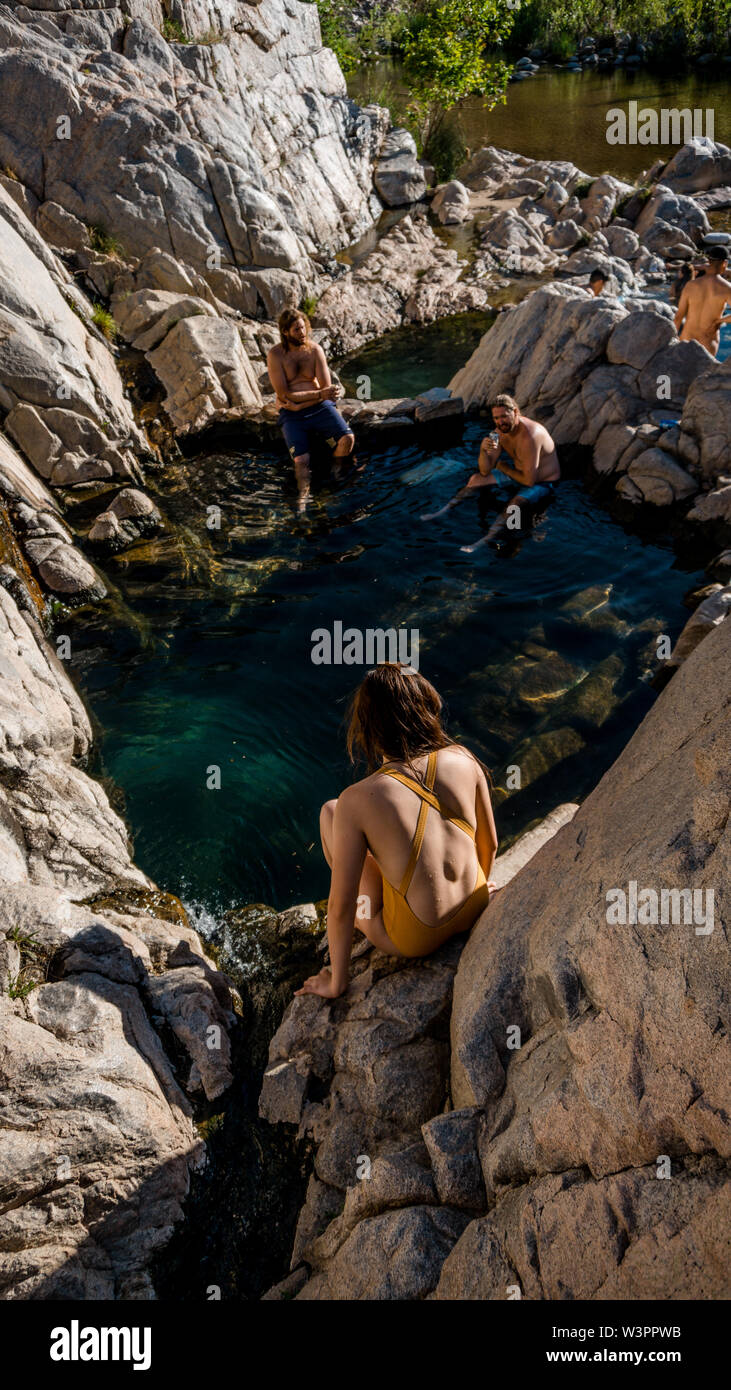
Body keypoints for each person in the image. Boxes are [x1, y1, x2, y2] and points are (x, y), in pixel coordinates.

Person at [295, 664, 498, 999]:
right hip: (475, 902)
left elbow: (340, 907)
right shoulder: (464, 757)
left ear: (369, 726)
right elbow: (489, 844)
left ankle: (368, 919)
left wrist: (335, 983)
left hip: (417, 936)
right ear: (427, 709)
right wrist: (476, 890)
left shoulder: (357, 799)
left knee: (330, 811)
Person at [422, 393, 560, 552]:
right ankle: (443, 511)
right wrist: (483, 450)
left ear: (515, 412)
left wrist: (505, 468)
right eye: (496, 418)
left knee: (514, 505)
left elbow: (529, 481)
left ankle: (484, 540)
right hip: (519, 473)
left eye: (504, 417)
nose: (500, 422)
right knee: (476, 479)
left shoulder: (530, 435)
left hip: (542, 482)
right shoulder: (498, 432)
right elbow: (485, 470)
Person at [266, 309, 357, 509]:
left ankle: (336, 472)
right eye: (297, 329)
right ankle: (304, 495)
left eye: (304, 328)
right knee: (301, 459)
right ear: (285, 331)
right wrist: (313, 397)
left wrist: (301, 404)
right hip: (293, 412)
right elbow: (284, 395)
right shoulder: (276, 355)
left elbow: (326, 391)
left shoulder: (315, 350)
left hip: (316, 407)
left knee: (347, 439)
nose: (302, 333)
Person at [674, 246, 731, 357]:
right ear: (725, 263)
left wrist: (674, 339)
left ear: (709, 261)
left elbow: (678, 317)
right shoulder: (727, 288)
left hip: (687, 339)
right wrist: (718, 321)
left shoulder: (691, 285)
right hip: (708, 341)